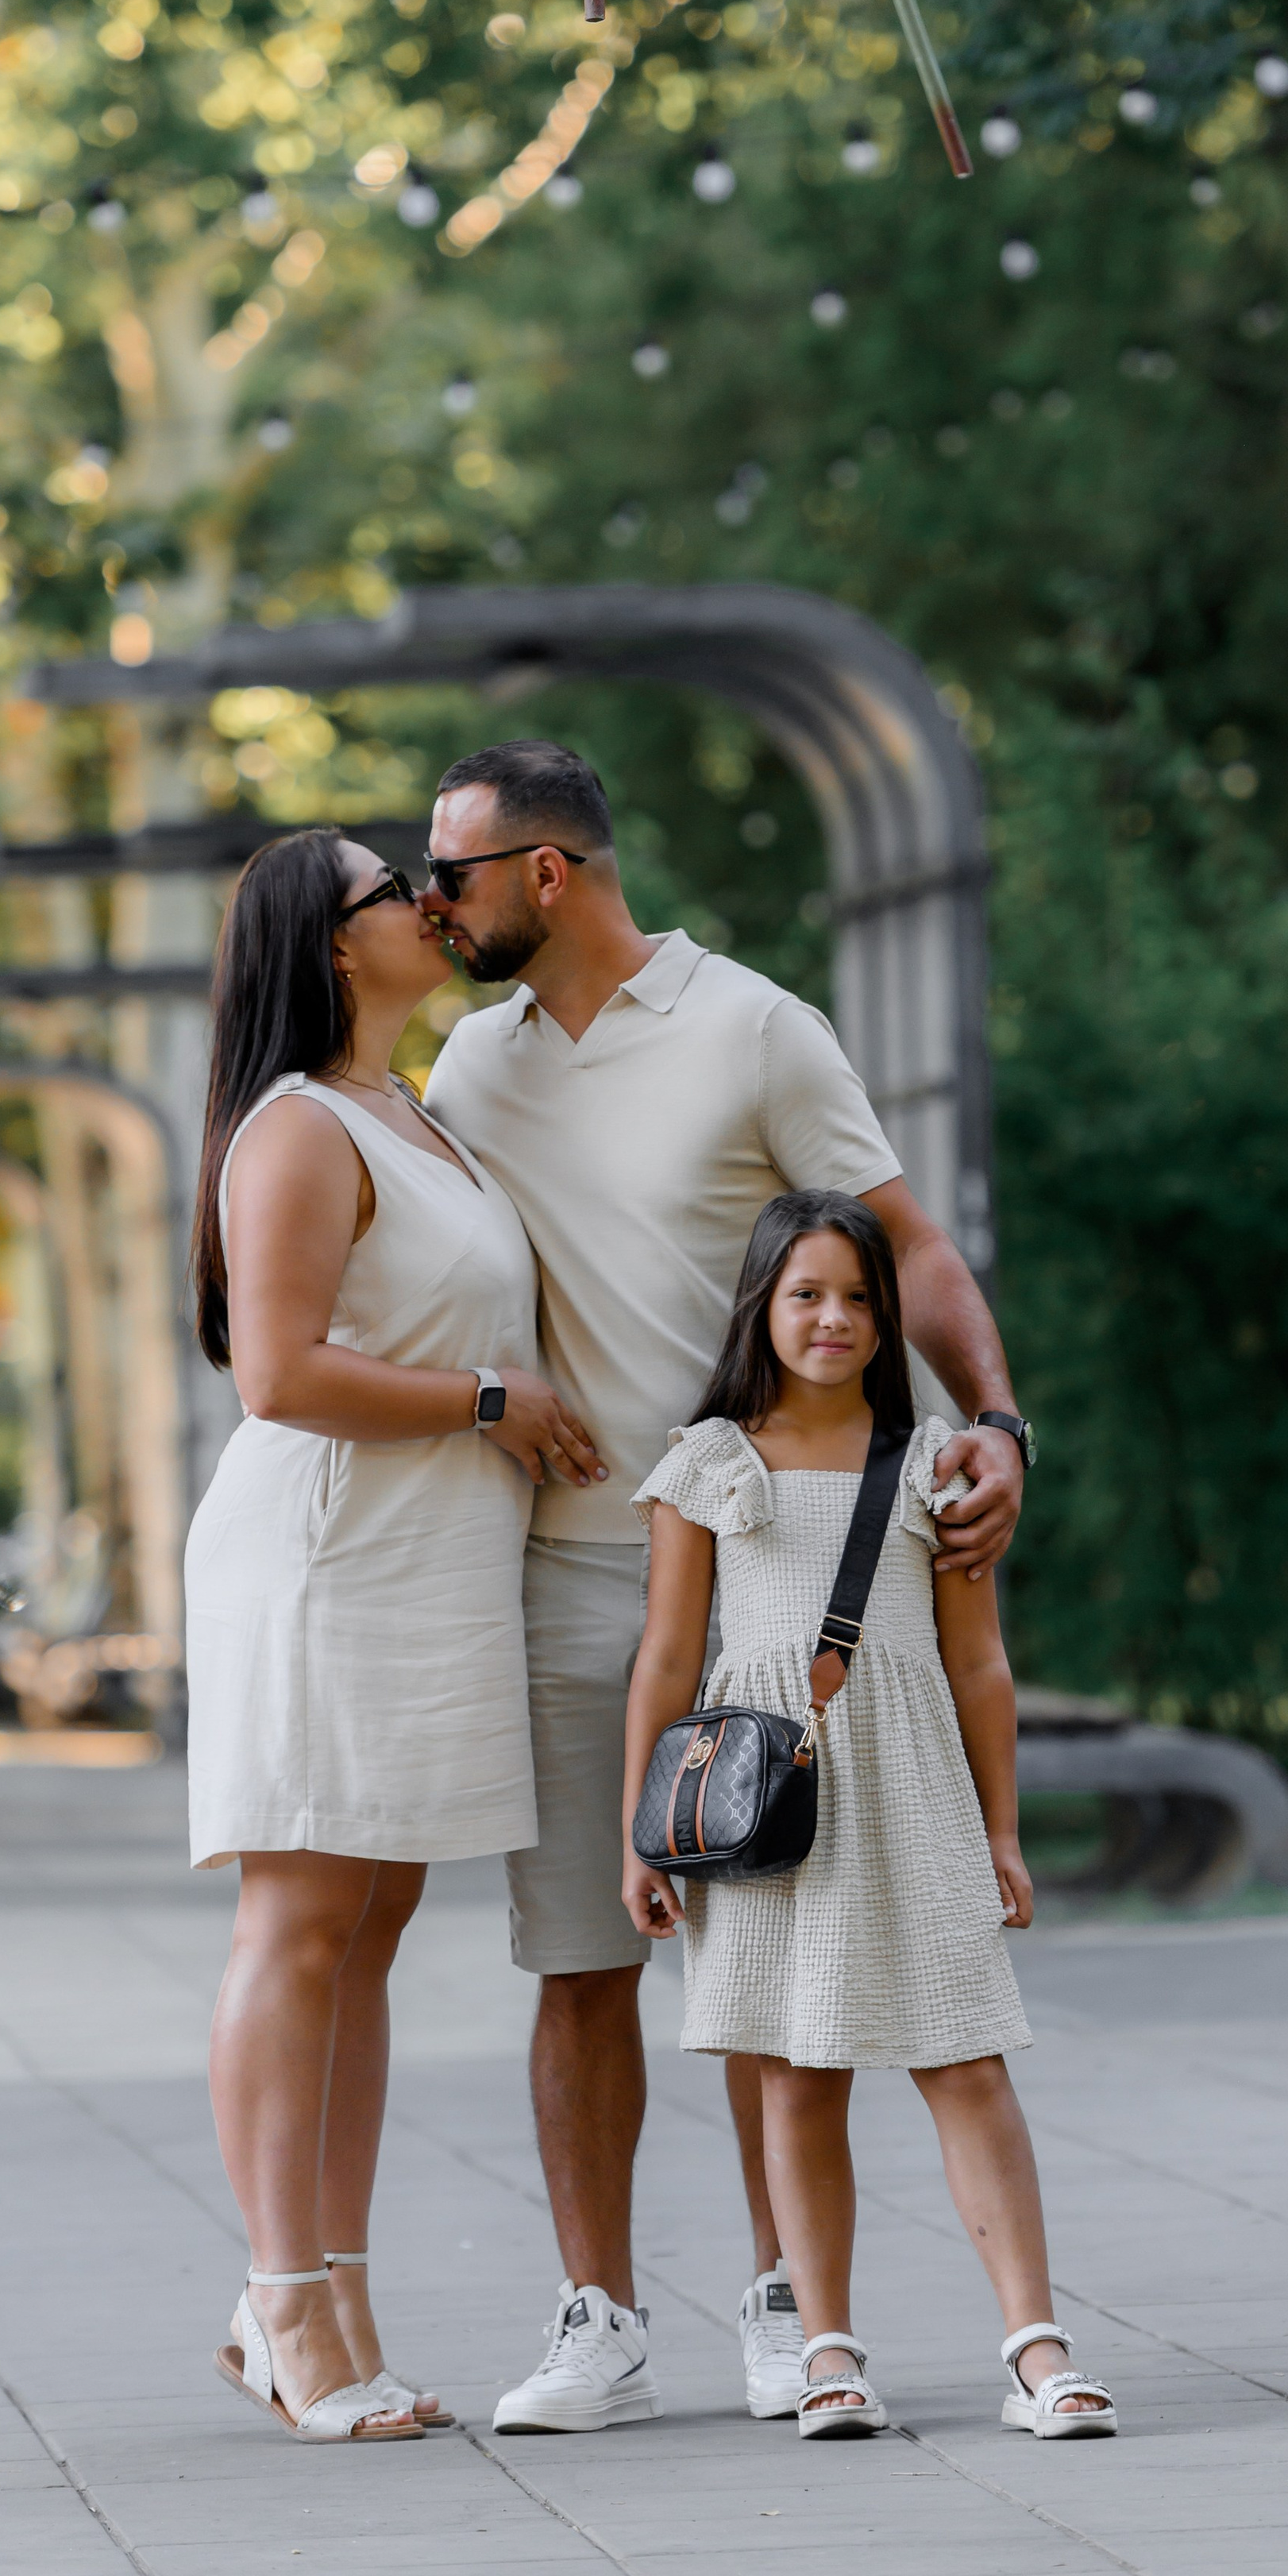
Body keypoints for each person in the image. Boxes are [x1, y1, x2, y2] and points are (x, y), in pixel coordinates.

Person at [422, 739, 1035, 2432]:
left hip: (775, 1563)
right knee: (577, 1959)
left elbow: (907, 1244)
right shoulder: (467, 1063)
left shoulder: (754, 1025)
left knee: (779, 1965)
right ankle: (600, 2316)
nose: (432, 903)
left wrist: (995, 1422)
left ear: (547, 871)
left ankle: (788, 2306)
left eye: (451, 875)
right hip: (571, 1563)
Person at [183, 827, 604, 2446]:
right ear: (334, 942)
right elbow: (278, 1372)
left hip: (426, 1560)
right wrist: (490, 1399)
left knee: (370, 1926)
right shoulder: (297, 1125)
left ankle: (326, 2292)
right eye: (392, 889)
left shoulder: (409, 1110)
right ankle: (285, 2297)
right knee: (299, 1922)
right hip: (326, 1553)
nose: (430, 902)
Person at [623, 1192, 1114, 2442]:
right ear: (763, 1309)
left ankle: (1038, 2350)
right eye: (806, 1294)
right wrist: (643, 1833)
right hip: (767, 1806)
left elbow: (979, 1665)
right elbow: (666, 1658)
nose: (832, 1318)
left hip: (915, 1791)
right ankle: (827, 2352)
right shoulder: (710, 1463)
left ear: (887, 1320)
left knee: (967, 2060)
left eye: (857, 1297)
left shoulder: (933, 1462)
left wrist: (1002, 1832)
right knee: (797, 2073)